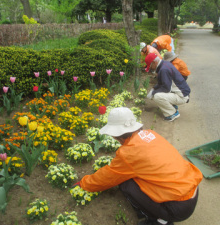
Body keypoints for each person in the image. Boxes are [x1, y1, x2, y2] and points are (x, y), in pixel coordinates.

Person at [73, 107, 203, 225]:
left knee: (126, 184)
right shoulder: (150, 134)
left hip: (178, 208)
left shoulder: (129, 153)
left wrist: (84, 183)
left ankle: (158, 220)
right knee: (137, 176)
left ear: (115, 134)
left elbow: (108, 177)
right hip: (192, 190)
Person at [145, 53, 190, 122]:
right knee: (157, 92)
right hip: (183, 92)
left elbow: (166, 88)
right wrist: (154, 88)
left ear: (154, 62)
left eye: (150, 66)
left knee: (157, 96)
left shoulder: (163, 70)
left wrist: (153, 92)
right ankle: (172, 106)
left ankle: (172, 114)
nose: (150, 68)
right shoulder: (164, 64)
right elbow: (162, 83)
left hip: (182, 96)